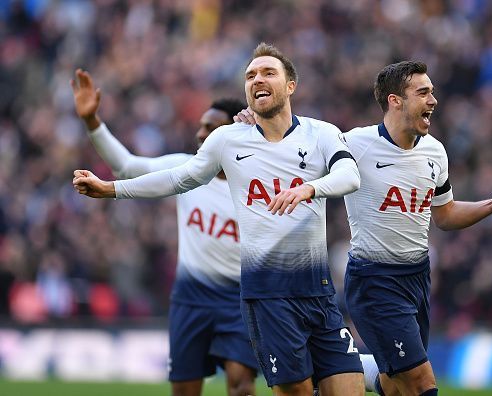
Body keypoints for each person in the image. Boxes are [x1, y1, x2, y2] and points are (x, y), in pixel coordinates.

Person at [72, 43, 365, 396]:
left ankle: (390, 375)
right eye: (250, 75)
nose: (257, 78)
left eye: (268, 72)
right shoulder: (227, 141)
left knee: (343, 388)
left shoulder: (321, 133)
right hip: (256, 296)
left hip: (315, 291)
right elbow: (176, 178)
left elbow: (350, 175)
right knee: (289, 389)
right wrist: (111, 188)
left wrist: (309, 189)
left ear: (291, 85)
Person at [341, 61, 492, 396]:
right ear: (396, 100)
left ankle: (334, 372)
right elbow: (301, 148)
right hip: (374, 280)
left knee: (396, 384)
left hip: (417, 278)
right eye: (423, 92)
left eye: (433, 92)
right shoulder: (355, 144)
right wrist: (255, 128)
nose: (433, 100)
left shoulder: (435, 151)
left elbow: (446, 214)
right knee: (423, 384)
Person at [70, 69, 257, 396]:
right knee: (184, 391)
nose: (200, 134)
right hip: (191, 299)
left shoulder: (259, 181)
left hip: (241, 300)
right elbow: (127, 167)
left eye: (210, 129)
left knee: (240, 386)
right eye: (200, 126)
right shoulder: (188, 169)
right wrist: (91, 122)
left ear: (230, 134)